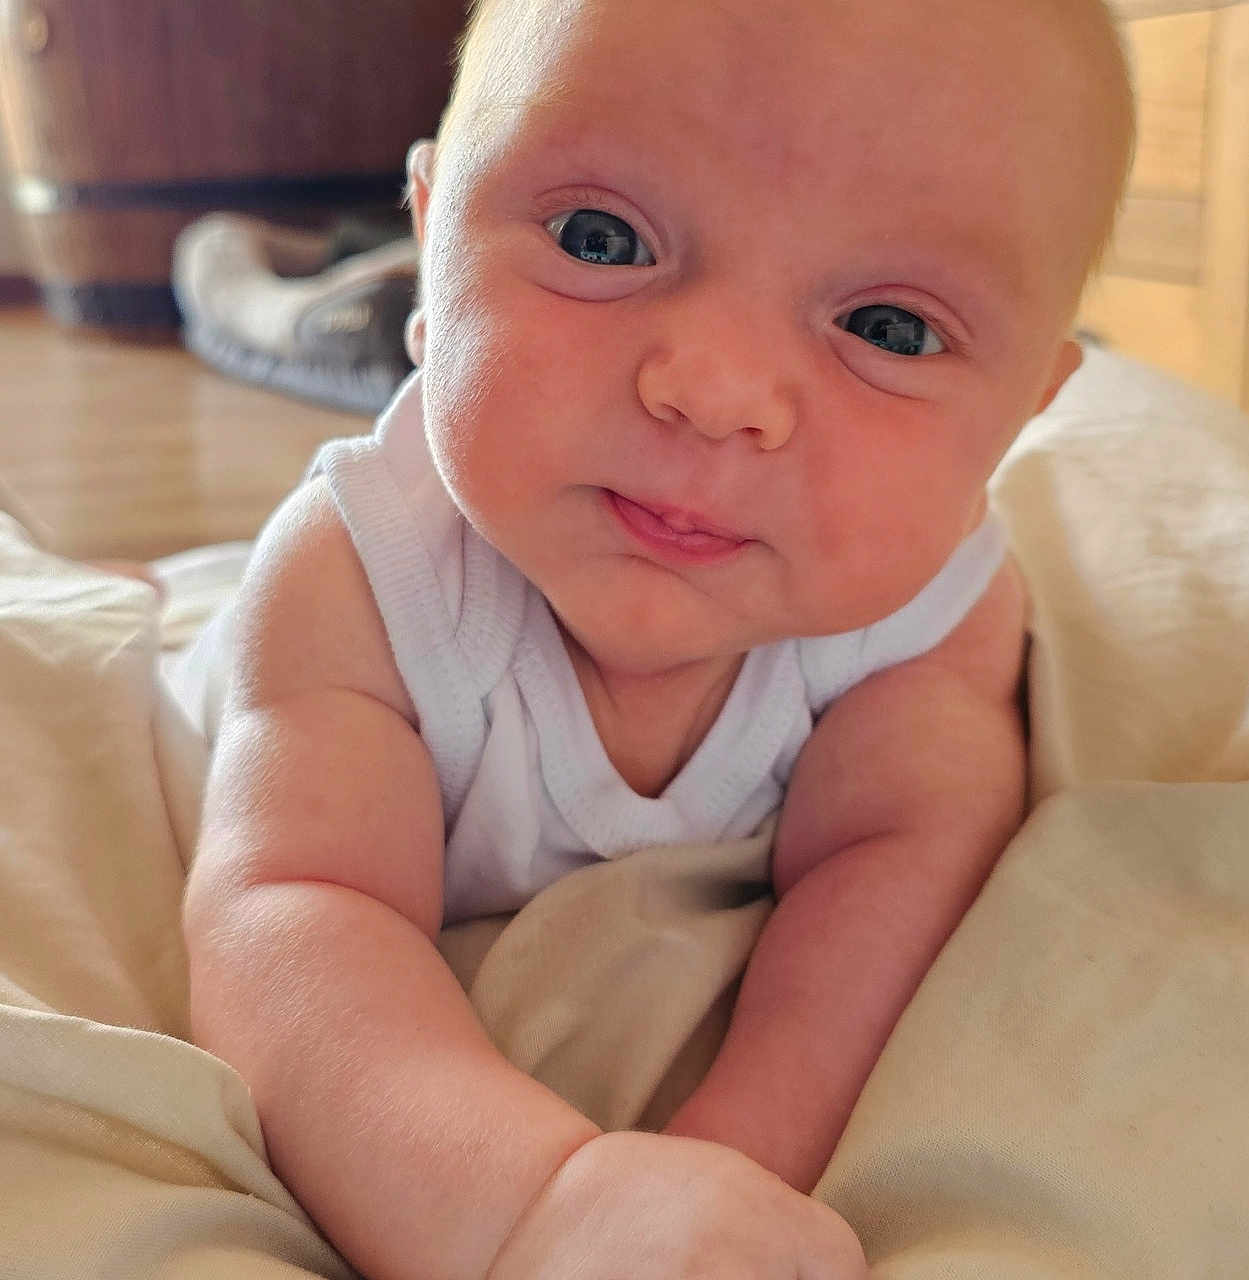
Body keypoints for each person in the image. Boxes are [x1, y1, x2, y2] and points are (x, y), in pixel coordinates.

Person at [181, 0, 1136, 1275]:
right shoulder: (366, 571)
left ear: (1020, 414)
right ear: (429, 245)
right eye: (599, 237)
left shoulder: (926, 615)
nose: (714, 387)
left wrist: (725, 1160)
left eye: (888, 329)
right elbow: (293, 909)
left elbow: (897, 858)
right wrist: (530, 1204)